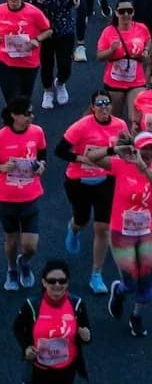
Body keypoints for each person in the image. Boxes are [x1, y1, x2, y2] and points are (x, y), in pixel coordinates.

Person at [57, 90, 125, 296]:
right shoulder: (81, 126)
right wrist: (82, 159)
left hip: (106, 179)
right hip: (79, 180)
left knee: (103, 228)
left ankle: (96, 274)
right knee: (82, 219)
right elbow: (60, 151)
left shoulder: (120, 125)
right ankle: (73, 228)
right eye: (100, 104)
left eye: (107, 104)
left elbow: (123, 147)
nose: (104, 108)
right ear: (93, 107)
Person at [0, 97, 48, 291]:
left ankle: (24, 261)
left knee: (30, 246)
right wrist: (0, 166)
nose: (31, 117)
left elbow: (42, 153)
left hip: (30, 195)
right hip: (6, 197)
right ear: (14, 116)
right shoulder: (0, 137)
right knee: (11, 241)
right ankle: (11, 269)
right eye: (27, 114)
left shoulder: (37, 132)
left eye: (31, 113)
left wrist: (42, 165)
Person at [96, 131, 152, 337]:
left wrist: (143, 168)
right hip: (122, 232)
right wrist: (115, 150)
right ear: (136, 149)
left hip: (148, 233)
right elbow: (92, 157)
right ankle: (119, 291)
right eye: (144, 148)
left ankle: (136, 316)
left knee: (146, 280)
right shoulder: (121, 166)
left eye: (151, 148)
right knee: (130, 282)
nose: (148, 152)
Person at [13, 259, 91, 383]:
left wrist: (86, 337)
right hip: (39, 371)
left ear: (67, 283)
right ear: (44, 282)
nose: (57, 285)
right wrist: (26, 347)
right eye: (51, 281)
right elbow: (17, 327)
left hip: (67, 370)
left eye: (62, 281)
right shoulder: (32, 305)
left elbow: (86, 335)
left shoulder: (77, 305)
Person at [26, 0, 82, 110]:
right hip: (44, 31)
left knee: (65, 64)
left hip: (65, 29)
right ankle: (48, 91)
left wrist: (76, 2)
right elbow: (26, 1)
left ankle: (60, 82)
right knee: (47, 63)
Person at [0, 0, 52, 102]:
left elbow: (48, 30)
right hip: (5, 61)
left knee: (24, 99)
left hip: (28, 63)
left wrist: (37, 40)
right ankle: (11, 121)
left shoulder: (33, 12)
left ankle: (23, 119)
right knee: (10, 98)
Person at [97, 0, 150, 123]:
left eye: (129, 11)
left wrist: (147, 50)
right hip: (114, 82)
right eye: (122, 11)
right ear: (116, 13)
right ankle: (118, 142)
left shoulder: (141, 28)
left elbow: (148, 39)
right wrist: (111, 51)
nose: (126, 14)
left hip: (136, 81)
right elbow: (99, 56)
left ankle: (137, 142)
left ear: (133, 12)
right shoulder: (108, 31)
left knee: (136, 119)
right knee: (115, 119)